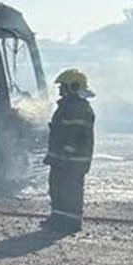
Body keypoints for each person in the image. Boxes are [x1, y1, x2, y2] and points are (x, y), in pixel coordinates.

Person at [44, 69, 95, 233]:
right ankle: (58, 218)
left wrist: (65, 154)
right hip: (62, 158)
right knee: (57, 186)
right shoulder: (68, 106)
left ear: (73, 86)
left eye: (63, 86)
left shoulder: (79, 108)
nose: (60, 90)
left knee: (70, 189)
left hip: (73, 160)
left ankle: (71, 222)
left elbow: (77, 134)